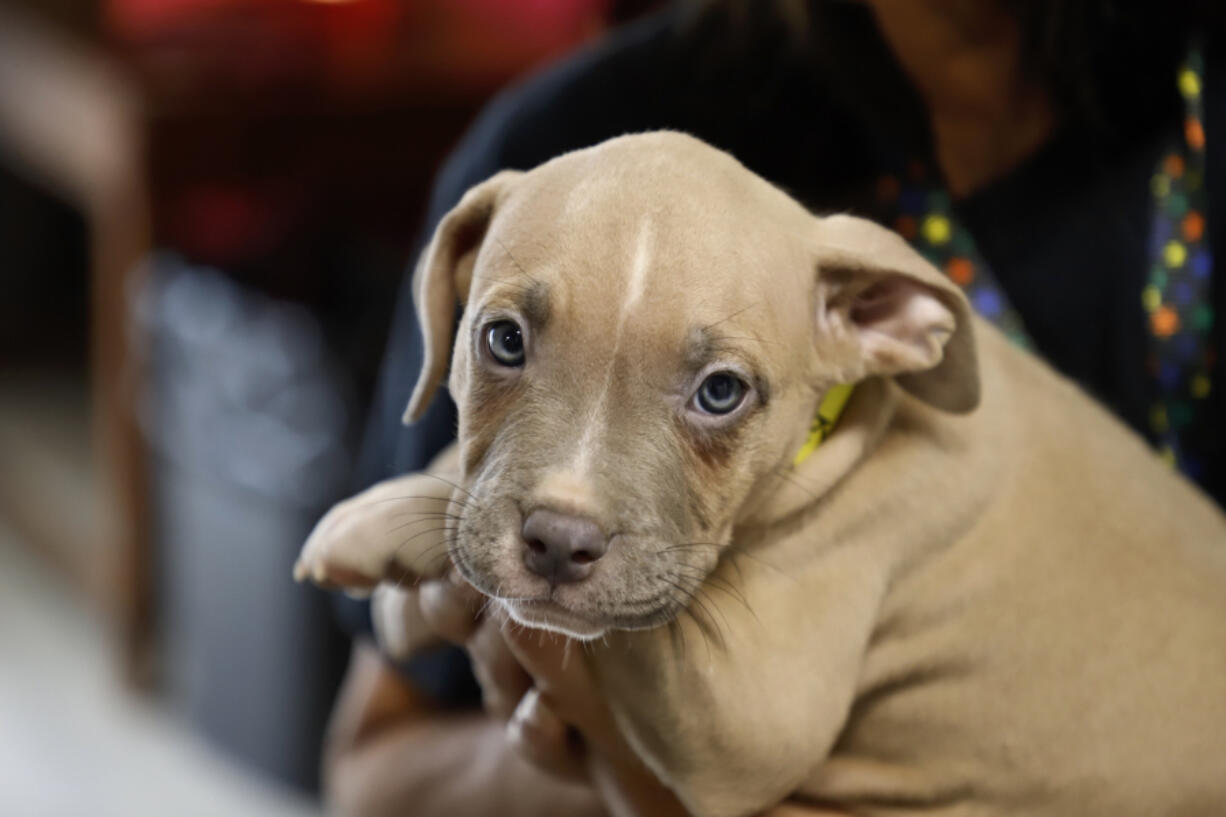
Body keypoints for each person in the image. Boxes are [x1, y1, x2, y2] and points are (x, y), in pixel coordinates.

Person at [323, 2, 1225, 815]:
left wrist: (627, 741)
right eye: (506, 344)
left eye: (720, 391)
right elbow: (375, 772)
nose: (571, 509)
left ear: (891, 325)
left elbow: (731, 764)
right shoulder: (573, 158)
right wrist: (586, 757)